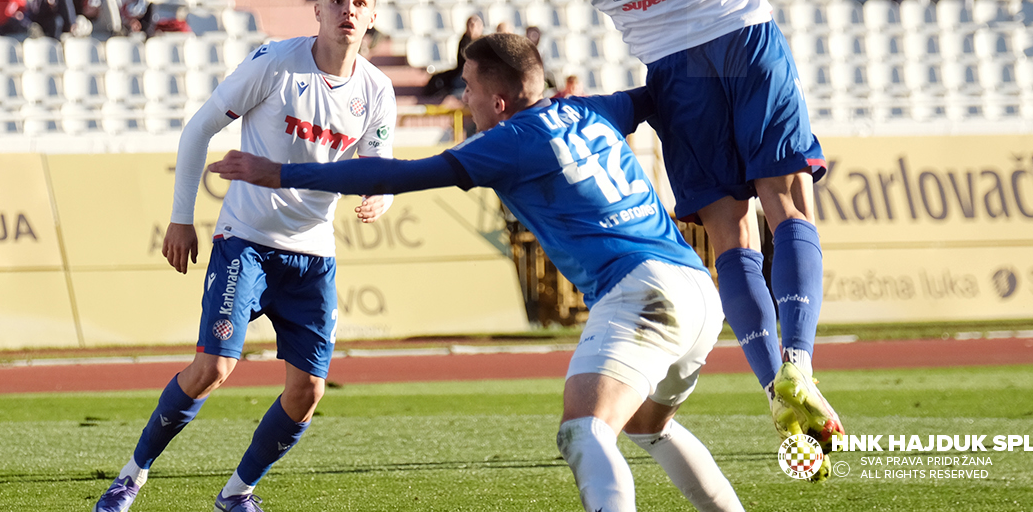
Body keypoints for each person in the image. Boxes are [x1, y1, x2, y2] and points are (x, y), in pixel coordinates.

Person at [213, 32, 755, 502]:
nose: (463, 98)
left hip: (641, 292)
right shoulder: (588, 108)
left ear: (498, 101)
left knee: (585, 432)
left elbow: (397, 176)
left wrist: (281, 173)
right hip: (696, 287)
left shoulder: (508, 141)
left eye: (468, 88)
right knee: (649, 426)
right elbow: (658, 95)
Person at [508, 0, 842, 452]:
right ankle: (801, 364)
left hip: (672, 67)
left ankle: (773, 391)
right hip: (743, 31)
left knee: (730, 234)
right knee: (790, 205)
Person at [92, 0, 396, 512]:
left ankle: (237, 494)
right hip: (247, 240)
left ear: (372, 15)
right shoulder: (276, 62)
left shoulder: (377, 89)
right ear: (318, 8)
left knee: (307, 393)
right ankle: (130, 478)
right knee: (212, 368)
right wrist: (181, 218)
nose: (347, 11)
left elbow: (381, 167)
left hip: (313, 254)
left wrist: (381, 195)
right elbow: (200, 128)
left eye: (358, 3)